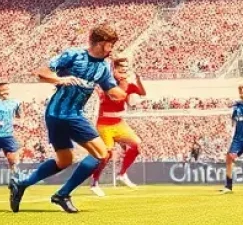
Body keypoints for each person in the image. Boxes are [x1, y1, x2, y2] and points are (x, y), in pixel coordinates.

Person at [9, 24, 125, 214]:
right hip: (62, 113)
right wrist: (59, 80)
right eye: (111, 44)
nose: (112, 48)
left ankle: (21, 184)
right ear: (102, 43)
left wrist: (126, 84)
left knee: (64, 160)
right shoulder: (73, 55)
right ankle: (62, 195)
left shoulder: (104, 67)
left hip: (65, 115)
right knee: (101, 153)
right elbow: (41, 72)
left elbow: (113, 92)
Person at [90, 61, 146, 196]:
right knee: (106, 155)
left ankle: (122, 174)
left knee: (136, 145)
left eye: (126, 70)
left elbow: (142, 93)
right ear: (113, 70)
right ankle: (94, 183)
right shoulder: (107, 83)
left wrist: (138, 80)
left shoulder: (129, 85)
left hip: (119, 122)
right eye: (121, 71)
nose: (124, 73)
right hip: (104, 123)